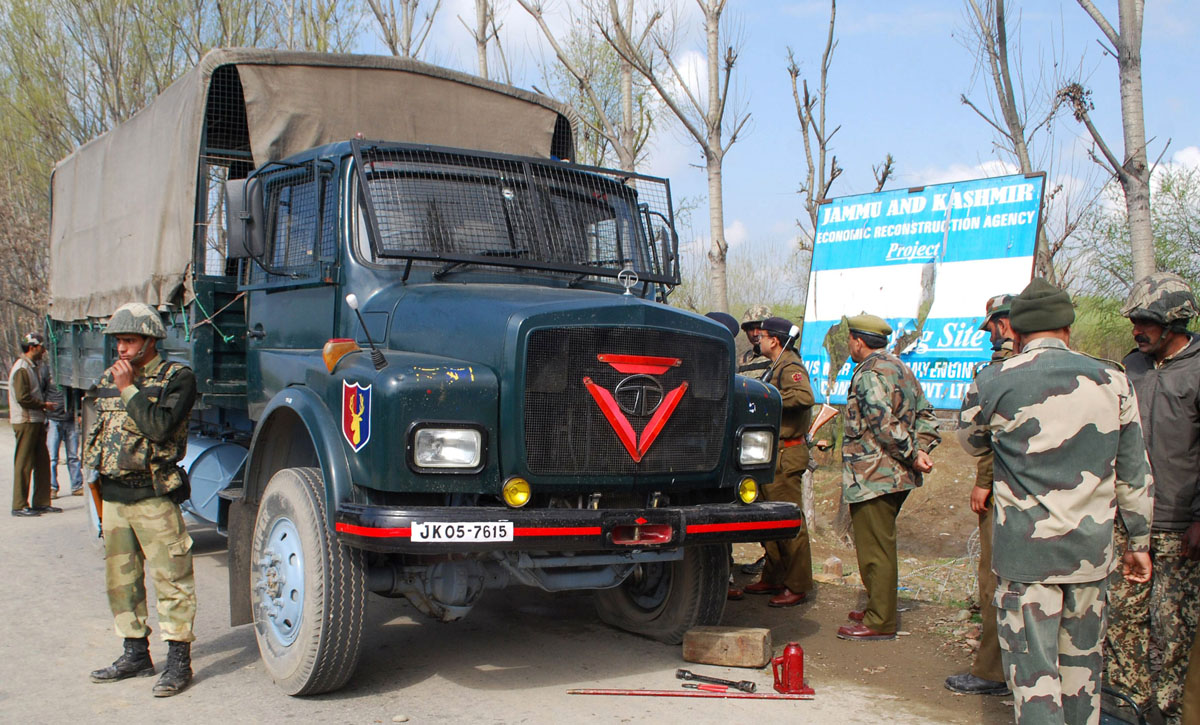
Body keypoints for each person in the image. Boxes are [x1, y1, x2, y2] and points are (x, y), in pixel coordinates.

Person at [958, 278, 1154, 725]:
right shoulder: (1113, 380)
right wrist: (1139, 542)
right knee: (1082, 677)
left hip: (1026, 560)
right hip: (1090, 556)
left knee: (1034, 680)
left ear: (1018, 330)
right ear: (1068, 325)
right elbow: (1135, 473)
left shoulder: (994, 380)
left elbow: (971, 442)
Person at [84, 302, 198, 697]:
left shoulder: (177, 378)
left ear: (150, 341)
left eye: (129, 341)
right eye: (118, 341)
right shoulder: (108, 378)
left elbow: (161, 428)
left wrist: (129, 388)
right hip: (114, 498)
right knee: (122, 582)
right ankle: (135, 653)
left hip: (153, 496)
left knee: (172, 579)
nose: (121, 349)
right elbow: (99, 434)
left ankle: (179, 662)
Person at [1103, 272, 1200, 723]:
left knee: (1175, 627)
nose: (1137, 330)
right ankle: (1128, 707)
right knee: (1122, 620)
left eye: (1147, 321)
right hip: (1130, 522)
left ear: (1176, 322)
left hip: (1182, 526)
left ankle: (1173, 711)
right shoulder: (1130, 368)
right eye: (1135, 321)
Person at [836, 314, 939, 642]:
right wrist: (921, 449)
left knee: (874, 549)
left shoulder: (868, 374)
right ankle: (877, 606)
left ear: (858, 341)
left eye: (850, 339)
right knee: (879, 544)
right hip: (895, 476)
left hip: (874, 477)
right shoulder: (900, 368)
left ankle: (880, 620)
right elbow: (927, 415)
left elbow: (883, 426)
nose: (850, 345)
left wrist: (912, 452)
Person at [945, 294, 1014, 697]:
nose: (988, 334)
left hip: (1003, 490)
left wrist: (984, 479)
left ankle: (992, 670)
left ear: (1003, 324)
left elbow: (981, 437)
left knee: (994, 580)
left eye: (990, 326)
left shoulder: (996, 370)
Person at [741, 316, 815, 607]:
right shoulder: (777, 365)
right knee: (769, 522)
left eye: (763, 335)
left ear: (775, 340)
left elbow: (804, 396)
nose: (758, 339)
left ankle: (797, 584)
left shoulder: (790, 366)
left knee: (790, 522)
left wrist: (767, 397)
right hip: (773, 453)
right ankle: (774, 576)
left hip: (787, 453)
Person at [9, 332, 59, 517]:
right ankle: (19, 504)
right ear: (33, 347)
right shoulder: (22, 368)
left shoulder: (32, 366)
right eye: (41, 347)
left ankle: (41, 502)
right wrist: (43, 405)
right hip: (26, 420)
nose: (43, 350)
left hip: (35, 420)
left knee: (42, 462)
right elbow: (23, 398)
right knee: (24, 463)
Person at [44, 368, 84, 497]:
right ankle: (51, 487)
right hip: (53, 419)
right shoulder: (48, 372)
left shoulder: (73, 372)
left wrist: (79, 412)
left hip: (70, 418)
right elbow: (42, 392)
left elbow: (79, 392)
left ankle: (76, 486)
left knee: (73, 455)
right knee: (52, 457)